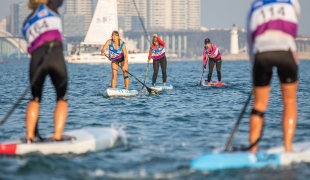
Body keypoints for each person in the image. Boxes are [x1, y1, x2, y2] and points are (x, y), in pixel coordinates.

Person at [247, 0, 300, 152]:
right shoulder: (292, 2)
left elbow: (250, 40)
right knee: (289, 101)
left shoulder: (255, 5)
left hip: (261, 53)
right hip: (286, 51)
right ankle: (288, 148)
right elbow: (292, 30)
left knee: (259, 104)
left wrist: (255, 67)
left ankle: (253, 150)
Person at [22, 0, 68, 142]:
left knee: (35, 98)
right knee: (62, 98)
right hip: (55, 55)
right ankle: (57, 137)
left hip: (37, 60)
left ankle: (30, 136)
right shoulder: (52, 6)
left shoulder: (26, 22)